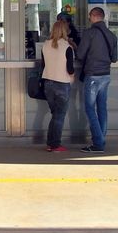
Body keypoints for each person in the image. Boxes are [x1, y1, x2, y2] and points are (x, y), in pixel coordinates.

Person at [76, 6, 118, 153]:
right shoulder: (112, 35)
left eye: (89, 16)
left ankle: (98, 144)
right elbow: (114, 58)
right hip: (106, 75)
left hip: (92, 75)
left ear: (93, 16)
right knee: (102, 109)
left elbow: (80, 55)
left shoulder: (89, 33)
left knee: (90, 108)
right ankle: (101, 140)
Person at [41, 19, 76, 152]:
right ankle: (55, 144)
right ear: (65, 31)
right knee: (59, 116)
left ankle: (51, 143)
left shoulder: (45, 45)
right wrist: (72, 76)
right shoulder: (67, 47)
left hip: (48, 83)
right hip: (62, 84)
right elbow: (70, 69)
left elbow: (43, 65)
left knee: (55, 114)